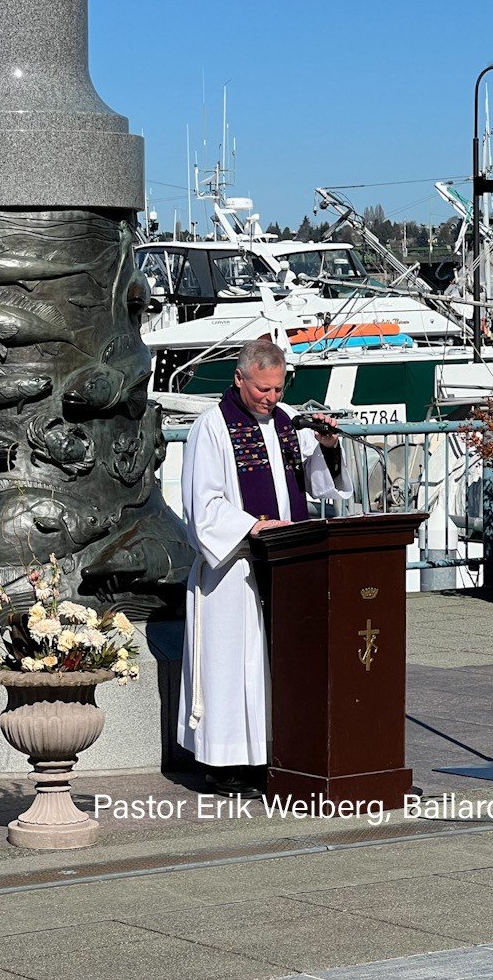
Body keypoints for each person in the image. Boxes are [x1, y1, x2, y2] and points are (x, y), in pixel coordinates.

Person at [178, 337, 353, 798]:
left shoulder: (287, 422)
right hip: (234, 568)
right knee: (234, 665)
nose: (271, 399)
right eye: (263, 390)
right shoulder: (212, 428)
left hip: (288, 562)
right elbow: (203, 504)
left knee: (275, 666)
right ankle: (227, 764)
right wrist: (252, 526)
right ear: (239, 379)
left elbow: (316, 487)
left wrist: (329, 447)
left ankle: (274, 753)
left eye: (277, 389)